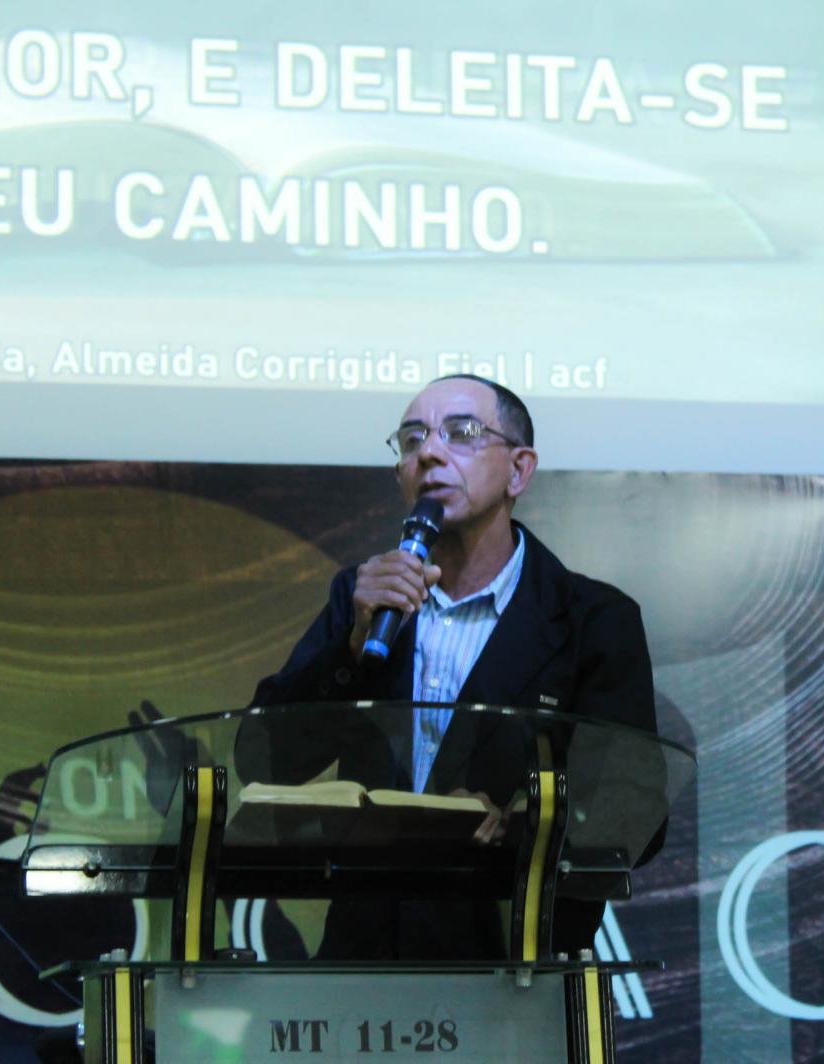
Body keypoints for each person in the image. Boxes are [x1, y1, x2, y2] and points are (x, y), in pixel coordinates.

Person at [241, 374, 659, 959]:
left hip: (516, 956)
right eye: (412, 440)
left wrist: (525, 821)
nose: (430, 453)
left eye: (461, 433)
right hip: (363, 958)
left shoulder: (593, 619)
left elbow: (634, 809)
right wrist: (351, 652)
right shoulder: (365, 599)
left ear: (519, 470)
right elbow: (261, 758)